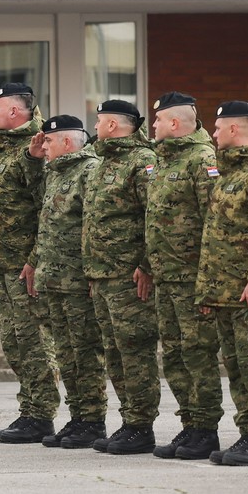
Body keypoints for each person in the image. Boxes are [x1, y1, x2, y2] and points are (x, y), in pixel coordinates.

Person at [0, 83, 59, 443]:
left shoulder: (37, 146)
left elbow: (45, 205)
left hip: (25, 263)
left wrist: (36, 259)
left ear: (16, 112)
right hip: (4, 261)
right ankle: (29, 410)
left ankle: (42, 415)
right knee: (13, 341)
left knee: (34, 341)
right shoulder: (6, 145)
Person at [146, 92, 222, 460]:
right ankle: (190, 424)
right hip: (166, 276)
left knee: (198, 355)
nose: (154, 125)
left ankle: (206, 430)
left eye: (158, 119)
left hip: (192, 278)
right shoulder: (164, 160)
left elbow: (214, 223)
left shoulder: (202, 159)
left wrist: (209, 281)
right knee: (174, 356)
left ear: (174, 123)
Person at [82, 99, 160, 455]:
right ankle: (129, 420)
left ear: (113, 125)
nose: (95, 126)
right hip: (101, 274)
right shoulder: (101, 163)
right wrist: (91, 270)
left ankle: (141, 425)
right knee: (113, 352)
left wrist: (146, 265)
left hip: (129, 276)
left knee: (135, 351)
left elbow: (153, 217)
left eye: (99, 121)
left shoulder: (141, 162)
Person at [27, 115, 106, 449]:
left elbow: (94, 226)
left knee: (86, 352)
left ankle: (93, 419)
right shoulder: (56, 174)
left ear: (68, 142)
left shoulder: (88, 171)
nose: (44, 147)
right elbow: (48, 228)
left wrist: (92, 272)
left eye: (49, 141)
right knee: (67, 353)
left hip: (77, 280)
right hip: (55, 280)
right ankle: (78, 417)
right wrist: (34, 263)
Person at [196, 101, 248, 466]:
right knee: (237, 369)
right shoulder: (227, 174)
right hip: (226, 292)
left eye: (218, 128)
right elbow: (214, 237)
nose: (214, 134)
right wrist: (208, 290)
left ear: (235, 130)